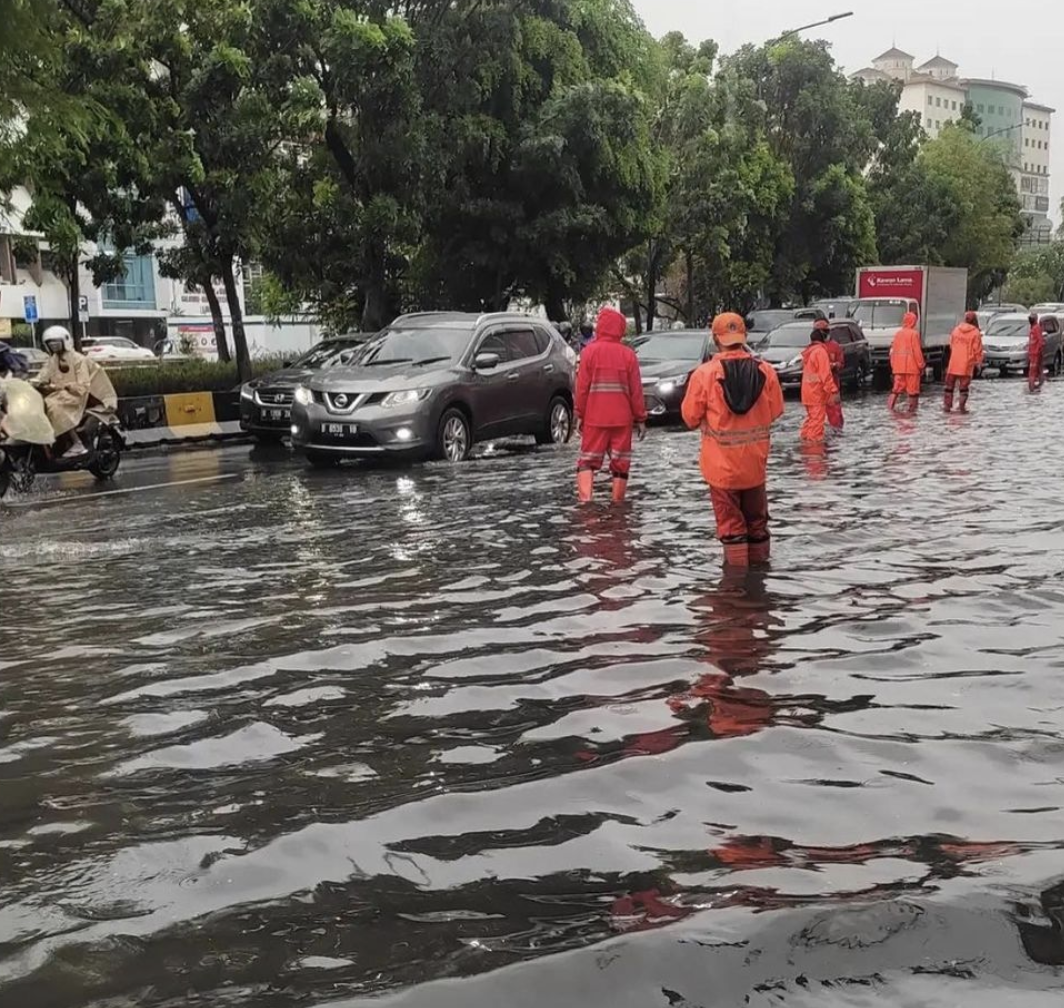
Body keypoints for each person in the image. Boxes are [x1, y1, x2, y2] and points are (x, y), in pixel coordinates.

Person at [680, 313, 784, 566]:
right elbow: (776, 411)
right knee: (757, 526)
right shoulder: (766, 372)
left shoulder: (704, 375)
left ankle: (736, 591)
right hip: (755, 467)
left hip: (721, 470)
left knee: (732, 529)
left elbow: (690, 418)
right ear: (744, 337)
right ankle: (760, 583)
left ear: (716, 338)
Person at [574, 307, 646, 503]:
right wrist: (640, 418)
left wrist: (579, 414)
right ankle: (618, 503)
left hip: (594, 418)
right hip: (622, 420)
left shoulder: (588, 353)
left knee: (587, 461)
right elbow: (636, 391)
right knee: (620, 463)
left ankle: (586, 501)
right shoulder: (628, 355)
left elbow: (581, 389)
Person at [33, 325, 92, 456]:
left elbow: (84, 385)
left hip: (75, 396)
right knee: (38, 405)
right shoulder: (52, 360)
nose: (53, 346)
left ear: (64, 342)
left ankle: (77, 443)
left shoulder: (78, 359)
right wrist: (32, 382)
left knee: (53, 407)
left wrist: (65, 386)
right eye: (50, 344)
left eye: (56, 343)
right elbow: (43, 375)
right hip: (58, 395)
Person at [800, 323, 839, 442]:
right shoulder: (820, 352)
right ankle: (814, 451)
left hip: (808, 392)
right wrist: (833, 390)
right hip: (816, 393)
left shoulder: (809, 351)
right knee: (817, 423)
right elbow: (825, 374)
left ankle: (805, 442)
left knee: (811, 420)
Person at [944, 311, 984, 413]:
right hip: (967, 363)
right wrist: (979, 363)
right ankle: (961, 408)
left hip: (953, 363)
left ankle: (947, 408)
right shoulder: (975, 333)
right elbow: (977, 350)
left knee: (949, 387)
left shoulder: (956, 330)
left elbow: (951, 345)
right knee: (963, 388)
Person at [888, 311, 925, 413]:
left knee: (895, 391)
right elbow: (917, 352)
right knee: (913, 393)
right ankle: (912, 412)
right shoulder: (914, 334)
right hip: (912, 369)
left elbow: (892, 352)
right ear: (913, 322)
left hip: (898, 368)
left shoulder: (897, 334)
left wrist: (894, 366)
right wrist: (921, 366)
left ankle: (889, 410)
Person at [820, 320, 845, 430]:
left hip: (833, 384)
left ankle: (838, 430)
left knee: (835, 411)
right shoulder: (814, 348)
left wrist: (835, 365)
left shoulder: (835, 346)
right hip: (818, 387)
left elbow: (841, 363)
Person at [1028, 312, 1046, 393]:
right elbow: (1040, 341)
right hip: (1035, 353)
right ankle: (1032, 389)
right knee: (1033, 373)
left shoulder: (1032, 328)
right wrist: (1040, 351)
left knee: (1036, 372)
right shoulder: (1036, 328)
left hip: (1033, 353)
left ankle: (1035, 387)